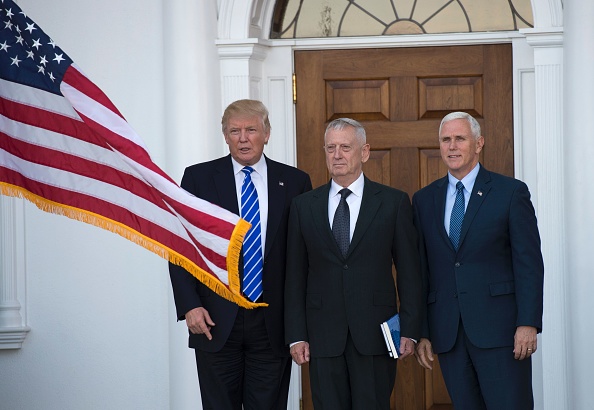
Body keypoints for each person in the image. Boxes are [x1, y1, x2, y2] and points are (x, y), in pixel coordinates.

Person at [168, 99, 312, 410]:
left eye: (251, 130)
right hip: (214, 319)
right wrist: (190, 305)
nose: (243, 138)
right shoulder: (198, 179)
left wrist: (301, 323)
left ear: (267, 133)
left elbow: (303, 258)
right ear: (225, 136)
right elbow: (180, 245)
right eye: (234, 131)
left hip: (272, 323)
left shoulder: (296, 182)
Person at [284, 118, 423, 409]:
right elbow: (295, 276)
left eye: (345, 147)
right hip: (322, 336)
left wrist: (410, 328)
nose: (337, 155)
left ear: (364, 152)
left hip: (376, 334)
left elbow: (410, 273)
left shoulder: (393, 202)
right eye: (331, 147)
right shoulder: (303, 205)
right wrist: (296, 335)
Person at [412, 111, 544, 409]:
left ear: (479, 143)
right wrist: (422, 331)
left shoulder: (510, 192)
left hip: (502, 333)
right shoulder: (424, 200)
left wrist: (528, 323)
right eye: (446, 139)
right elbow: (421, 270)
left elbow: (529, 263)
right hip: (449, 334)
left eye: (460, 138)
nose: (452, 146)